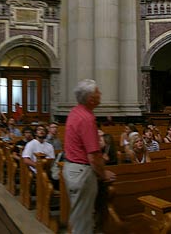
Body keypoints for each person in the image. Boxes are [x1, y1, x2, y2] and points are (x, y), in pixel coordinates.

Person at [63, 79, 113, 234]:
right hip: (82, 172)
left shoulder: (75, 112)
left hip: (72, 168)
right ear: (91, 98)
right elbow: (93, 155)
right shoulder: (86, 118)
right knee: (83, 222)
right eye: (98, 92)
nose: (101, 94)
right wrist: (103, 174)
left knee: (80, 216)